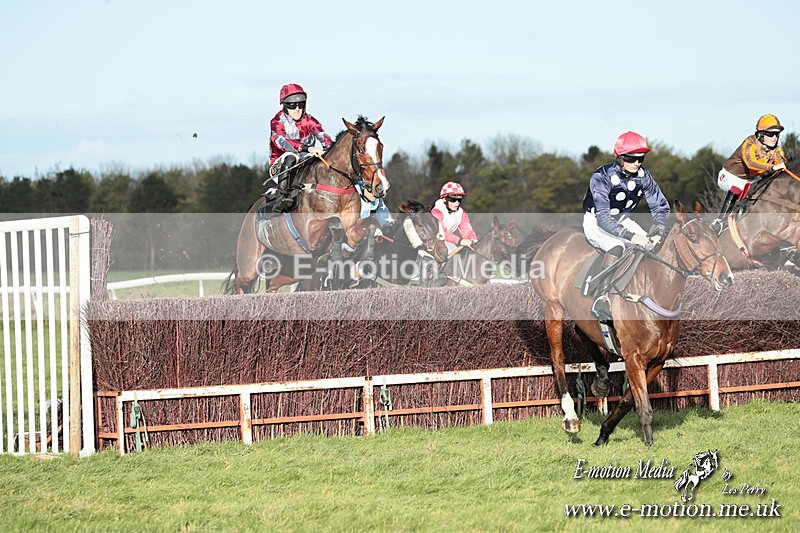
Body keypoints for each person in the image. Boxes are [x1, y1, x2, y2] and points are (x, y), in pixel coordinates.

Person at [582, 131, 670, 321]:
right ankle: (602, 298)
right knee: (617, 246)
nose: (637, 163)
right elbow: (603, 218)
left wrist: (659, 230)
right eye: (631, 158)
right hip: (596, 221)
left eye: (641, 158)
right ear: (620, 158)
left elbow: (660, 206)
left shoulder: (644, 176)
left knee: (654, 247)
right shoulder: (601, 176)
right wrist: (632, 236)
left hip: (622, 220)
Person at [710, 114, 788, 234]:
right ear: (760, 134)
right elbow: (751, 163)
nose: (775, 138)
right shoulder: (749, 144)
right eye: (770, 134)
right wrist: (772, 167)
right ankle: (719, 221)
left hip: (749, 180)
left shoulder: (777, 150)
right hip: (729, 176)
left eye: (777, 134)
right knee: (737, 188)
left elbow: (783, 165)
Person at [268, 83, 334, 212]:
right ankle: (282, 196)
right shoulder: (277, 122)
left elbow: (325, 138)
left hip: (305, 160)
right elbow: (283, 143)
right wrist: (308, 148)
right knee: (291, 156)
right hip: (280, 164)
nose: (297, 109)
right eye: (292, 105)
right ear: (284, 106)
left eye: (301, 104)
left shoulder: (310, 121)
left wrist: (333, 150)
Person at [431, 181, 478, 252]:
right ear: (444, 199)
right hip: (431, 242)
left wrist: (472, 239)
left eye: (459, 199)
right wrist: (460, 241)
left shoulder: (461, 212)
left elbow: (466, 229)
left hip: (446, 241)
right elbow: (442, 232)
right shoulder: (437, 210)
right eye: (453, 199)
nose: (457, 203)